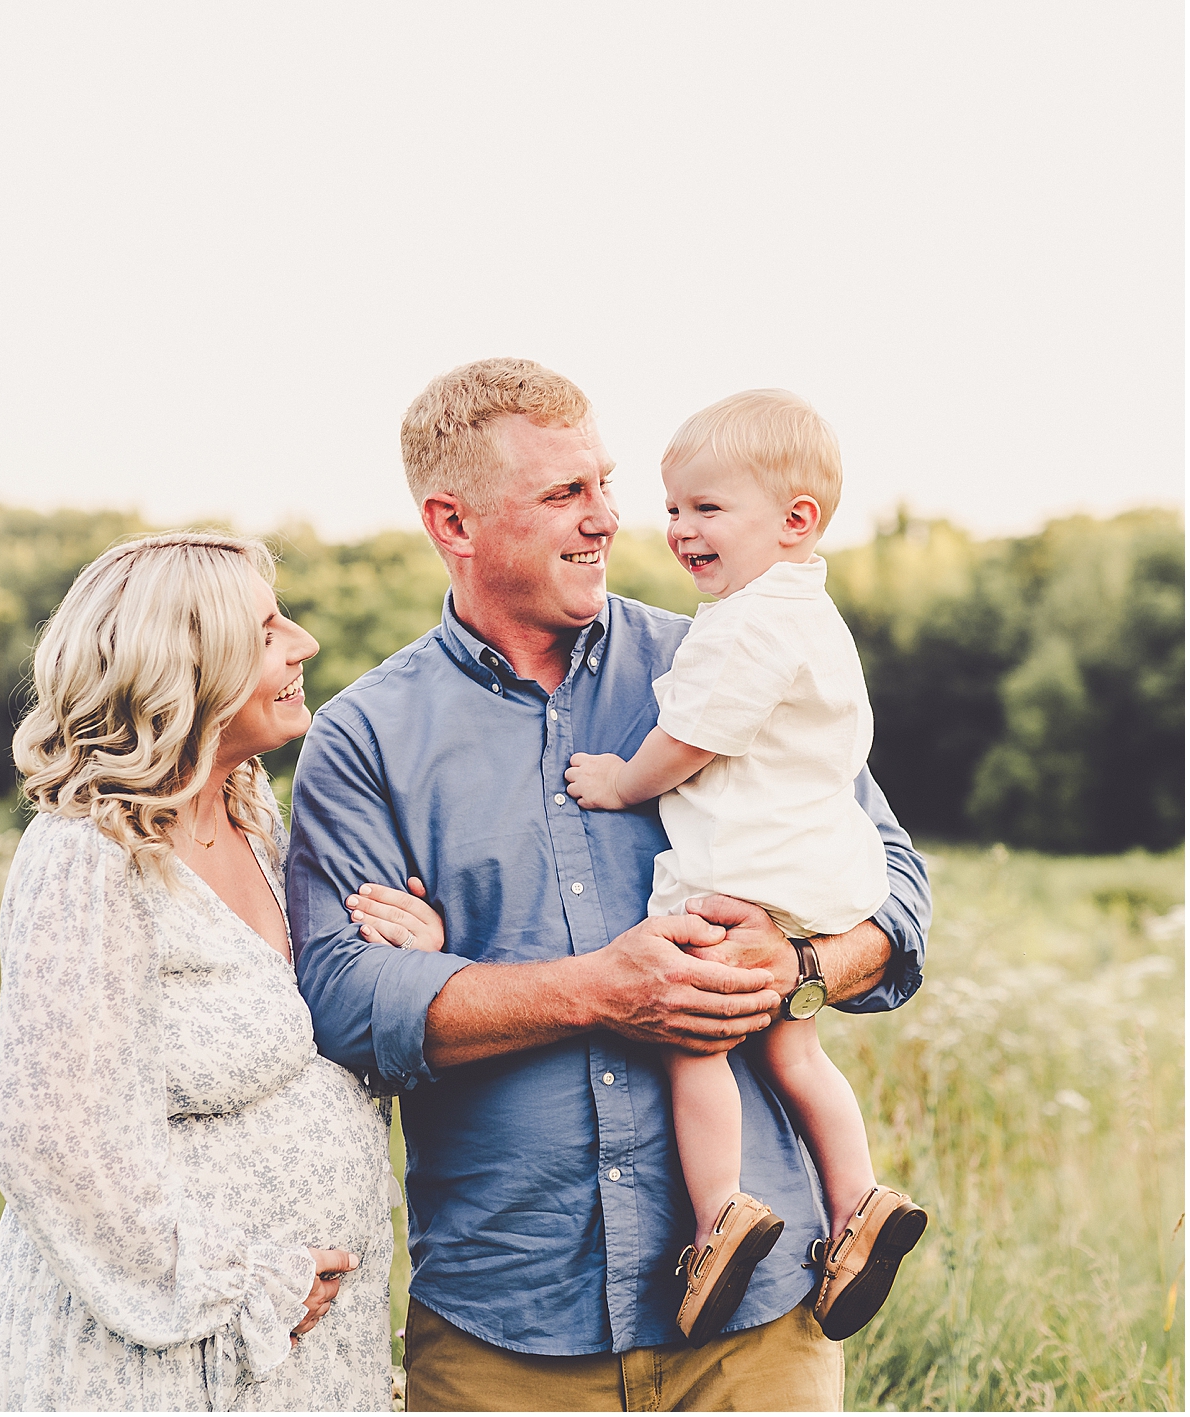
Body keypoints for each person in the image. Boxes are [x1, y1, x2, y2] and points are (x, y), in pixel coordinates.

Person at [289, 360, 931, 1413]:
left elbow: (895, 892)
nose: (608, 521)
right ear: (452, 523)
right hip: (504, 1330)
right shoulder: (367, 737)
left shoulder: (720, 662)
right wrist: (595, 988)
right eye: (563, 495)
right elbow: (344, 999)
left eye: (604, 484)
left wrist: (803, 965)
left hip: (757, 1336)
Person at [0, 532, 439, 1413]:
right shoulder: (88, 855)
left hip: (281, 1362)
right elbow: (56, 1143)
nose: (303, 644)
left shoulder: (253, 813)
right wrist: (242, 1284)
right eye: (265, 631)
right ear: (187, 669)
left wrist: (410, 953)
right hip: (140, 1368)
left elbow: (304, 1026)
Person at [560, 388, 926, 1347]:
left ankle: (721, 1213)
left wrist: (619, 781)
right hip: (818, 871)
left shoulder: (745, 623)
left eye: (708, 509)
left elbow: (691, 736)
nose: (679, 529)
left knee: (696, 1041)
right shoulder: (807, 610)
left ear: (795, 520)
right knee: (795, 1048)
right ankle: (859, 1204)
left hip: (746, 873)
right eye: (675, 507)